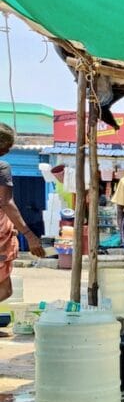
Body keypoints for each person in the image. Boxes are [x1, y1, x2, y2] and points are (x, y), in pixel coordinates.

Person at [0, 124, 45, 302]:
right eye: (7, 146)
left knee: (6, 288)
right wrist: (30, 235)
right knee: (5, 290)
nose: (8, 150)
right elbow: (5, 202)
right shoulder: (2, 167)